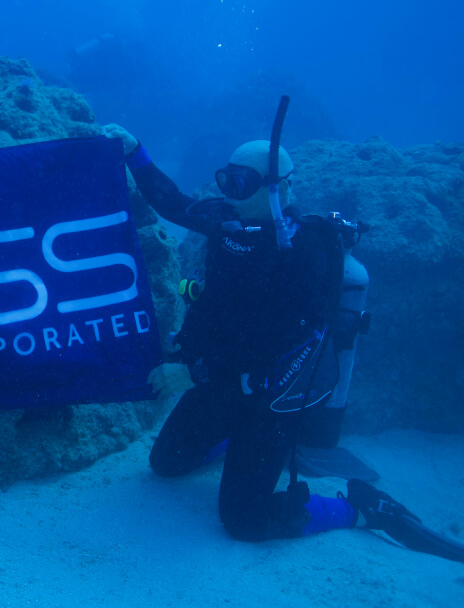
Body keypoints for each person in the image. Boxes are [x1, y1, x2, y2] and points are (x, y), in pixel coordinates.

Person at [101, 122, 464, 561]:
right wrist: (134, 150)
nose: (230, 190)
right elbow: (173, 203)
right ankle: (237, 447)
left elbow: (270, 344)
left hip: (271, 397)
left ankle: (360, 509)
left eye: (243, 181)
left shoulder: (302, 253)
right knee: (167, 462)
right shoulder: (228, 219)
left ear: (279, 189)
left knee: (244, 519)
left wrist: (192, 373)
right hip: (221, 382)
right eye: (226, 178)